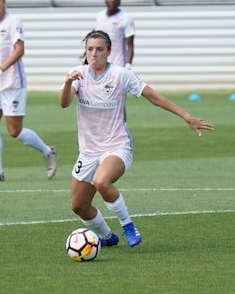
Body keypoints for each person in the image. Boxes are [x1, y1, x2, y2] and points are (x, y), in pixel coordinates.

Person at [60, 29, 212, 247]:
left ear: (109, 52)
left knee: (102, 181)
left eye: (100, 49)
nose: (94, 54)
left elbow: (153, 96)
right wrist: (67, 83)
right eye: (90, 49)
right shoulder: (77, 74)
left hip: (117, 146)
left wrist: (186, 116)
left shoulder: (121, 75)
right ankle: (107, 237)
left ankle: (128, 226)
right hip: (88, 151)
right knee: (78, 206)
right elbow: (64, 103)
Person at [0, 0, 58, 183]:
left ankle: (47, 151)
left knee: (15, 131)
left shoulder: (13, 22)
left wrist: (1, 69)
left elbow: (19, 50)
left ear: (4, 2)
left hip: (13, 82)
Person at [95, 0, 135, 68]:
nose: (112, 1)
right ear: (105, 0)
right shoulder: (100, 16)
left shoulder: (126, 18)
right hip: (101, 63)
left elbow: (130, 45)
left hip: (118, 64)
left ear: (120, 1)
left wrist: (128, 65)